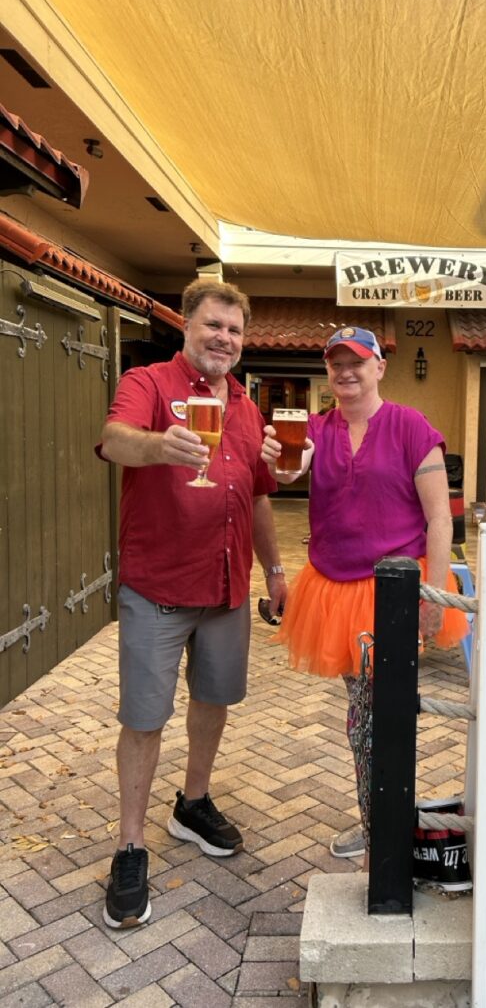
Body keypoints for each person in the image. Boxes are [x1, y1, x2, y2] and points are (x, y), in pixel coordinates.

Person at [97, 278, 286, 928]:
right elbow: (116, 439)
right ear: (186, 323)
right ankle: (129, 843)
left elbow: (260, 493)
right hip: (157, 585)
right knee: (145, 716)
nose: (224, 338)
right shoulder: (150, 383)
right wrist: (157, 447)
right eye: (213, 325)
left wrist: (276, 568)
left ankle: (192, 802)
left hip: (228, 586)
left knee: (214, 699)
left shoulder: (245, 404)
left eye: (234, 330)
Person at [261, 325, 467, 861]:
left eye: (357, 361)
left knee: (375, 711)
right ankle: (381, 820)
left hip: (398, 589)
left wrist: (433, 594)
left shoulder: (409, 426)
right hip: (333, 590)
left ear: (379, 367)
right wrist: (282, 462)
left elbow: (439, 518)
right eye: (335, 363)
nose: (346, 372)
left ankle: (385, 825)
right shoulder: (314, 428)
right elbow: (290, 468)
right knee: (367, 710)